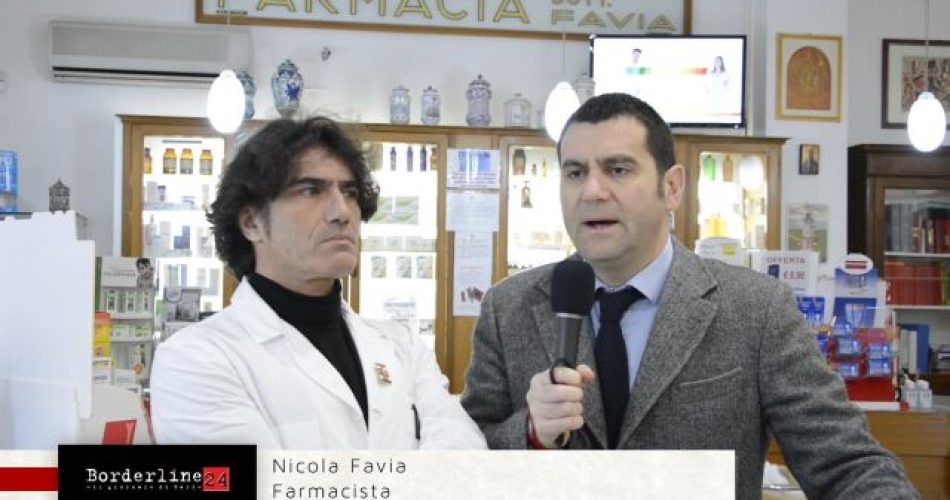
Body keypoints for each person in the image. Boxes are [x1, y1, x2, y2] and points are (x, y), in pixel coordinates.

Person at [461, 93, 918, 499]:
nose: (592, 191)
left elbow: (844, 463)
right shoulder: (508, 308)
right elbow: (465, 458)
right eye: (575, 172)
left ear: (672, 187)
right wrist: (530, 431)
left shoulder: (757, 310)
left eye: (618, 169)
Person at [151, 117, 486, 450]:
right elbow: (264, 479)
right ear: (251, 222)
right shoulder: (196, 359)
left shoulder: (402, 345)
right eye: (310, 190)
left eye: (349, 192)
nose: (342, 212)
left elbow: (463, 448)